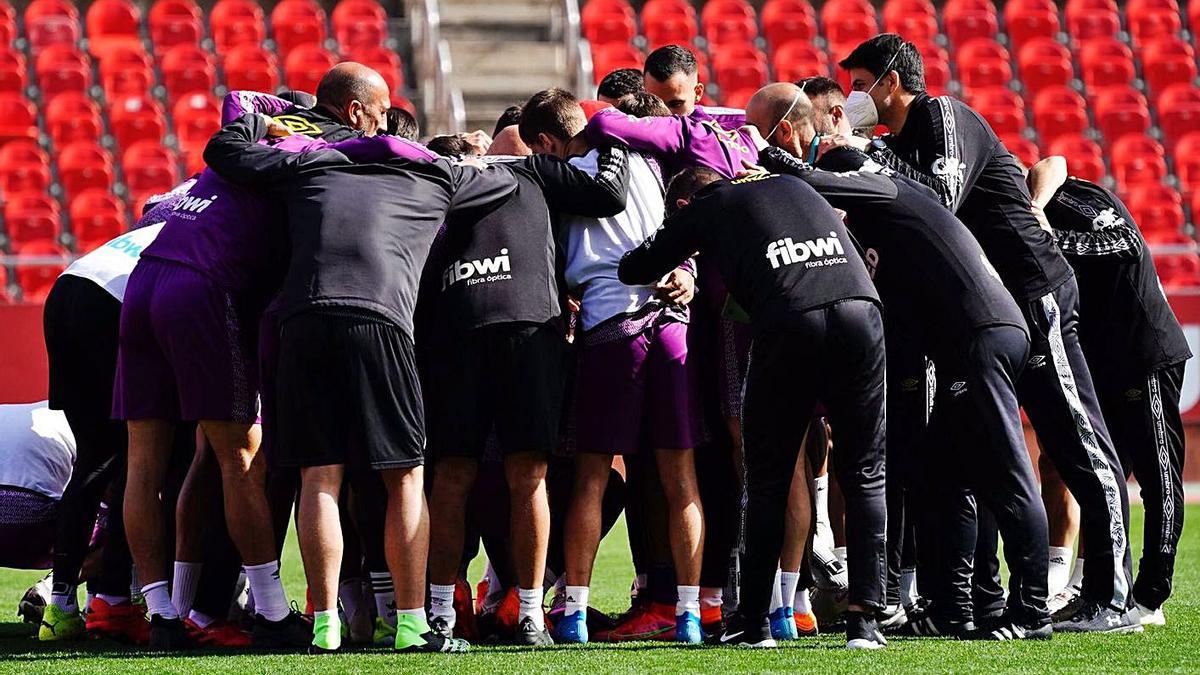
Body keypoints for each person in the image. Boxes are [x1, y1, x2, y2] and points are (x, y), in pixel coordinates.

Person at [834, 33, 1138, 633]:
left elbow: (942, 199)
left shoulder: (944, 115)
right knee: (969, 459)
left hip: (1033, 291)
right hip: (985, 309)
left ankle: (1113, 595)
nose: (855, 96)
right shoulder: (897, 142)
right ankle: (970, 604)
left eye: (861, 82)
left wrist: (860, 154)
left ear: (892, 80)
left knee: (1074, 441)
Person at [747, 82, 1054, 641]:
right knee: (943, 473)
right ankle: (955, 609)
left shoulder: (884, 186)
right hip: (965, 338)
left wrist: (770, 157)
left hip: (984, 331)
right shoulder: (880, 211)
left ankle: (1031, 611)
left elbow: (815, 182)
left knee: (1006, 471)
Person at [209, 106, 518, 652]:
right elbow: (503, 178)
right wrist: (463, 153)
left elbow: (225, 153)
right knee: (404, 478)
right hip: (381, 321)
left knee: (319, 478)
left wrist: (261, 121)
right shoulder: (434, 175)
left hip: (301, 323)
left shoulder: (312, 166)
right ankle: (412, 625)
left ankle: (325, 626)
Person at [114, 69, 388, 650]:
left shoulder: (255, 125)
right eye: (382, 111)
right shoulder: (337, 149)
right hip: (207, 286)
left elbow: (240, 99)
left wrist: (279, 114)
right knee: (240, 456)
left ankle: (163, 612)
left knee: (145, 459)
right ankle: (269, 608)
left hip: (146, 275)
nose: (383, 122)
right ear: (360, 112)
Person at [619, 167, 887, 650]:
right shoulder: (793, 184)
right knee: (866, 471)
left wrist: (683, 246)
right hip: (862, 307)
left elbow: (635, 267)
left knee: (767, 477)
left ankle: (755, 623)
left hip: (791, 317)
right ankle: (864, 624)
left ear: (682, 206)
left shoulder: (702, 206)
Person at [423, 130, 632, 647]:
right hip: (526, 325)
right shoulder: (530, 170)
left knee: (458, 475)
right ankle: (527, 615)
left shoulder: (435, 179)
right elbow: (609, 194)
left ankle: (448, 614)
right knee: (523, 474)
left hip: (461, 328)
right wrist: (617, 136)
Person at [518, 88, 707, 645]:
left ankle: (573, 611)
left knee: (592, 477)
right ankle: (689, 615)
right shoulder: (647, 160)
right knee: (681, 479)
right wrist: (688, 273)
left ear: (547, 142)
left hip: (609, 333)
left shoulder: (555, 179)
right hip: (672, 326)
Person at [1028, 157, 1192, 628]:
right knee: (1107, 477)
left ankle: (1150, 596)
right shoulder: (1047, 202)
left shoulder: (1080, 200)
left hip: (1145, 358)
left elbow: (1120, 241)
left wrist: (1047, 235)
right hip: (1112, 366)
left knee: (1158, 477)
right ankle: (1099, 586)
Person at [37, 180, 194, 645]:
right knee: (145, 460)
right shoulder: (229, 208)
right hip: (115, 300)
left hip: (72, 284)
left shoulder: (184, 200)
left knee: (95, 461)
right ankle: (113, 599)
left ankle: (62, 605)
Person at [0, 402, 76, 570]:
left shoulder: (7, 412)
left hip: (26, 515)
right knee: (115, 529)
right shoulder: (76, 420)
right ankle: (50, 588)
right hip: (33, 521)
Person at [642, 45, 745, 129]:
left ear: (698, 93)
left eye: (676, 104)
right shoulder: (630, 129)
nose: (664, 115)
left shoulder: (737, 124)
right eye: (654, 103)